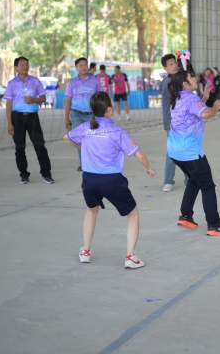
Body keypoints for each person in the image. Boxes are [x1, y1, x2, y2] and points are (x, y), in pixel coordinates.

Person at [64, 91, 157, 269]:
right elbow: (138, 155)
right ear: (108, 109)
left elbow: (66, 138)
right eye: (112, 104)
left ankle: (86, 252)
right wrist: (149, 168)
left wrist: (84, 145)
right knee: (133, 214)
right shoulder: (117, 131)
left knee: (91, 210)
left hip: (89, 179)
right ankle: (130, 257)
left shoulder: (86, 127)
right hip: (112, 181)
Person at [167, 69, 220, 236]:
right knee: (207, 186)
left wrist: (204, 98)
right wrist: (215, 106)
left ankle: (185, 215)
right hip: (190, 152)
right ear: (185, 84)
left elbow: (193, 112)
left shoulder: (178, 97)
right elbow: (207, 113)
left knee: (194, 180)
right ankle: (214, 225)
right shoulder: (190, 98)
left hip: (174, 151)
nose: (195, 78)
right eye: (191, 77)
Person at [4, 56, 54, 185]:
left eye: (26, 64)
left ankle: (46, 174)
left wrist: (33, 100)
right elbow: (8, 104)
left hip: (32, 117)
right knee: (20, 147)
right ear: (16, 68)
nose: (25, 67)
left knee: (40, 145)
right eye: (22, 65)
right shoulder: (11, 84)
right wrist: (10, 123)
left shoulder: (35, 81)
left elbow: (43, 98)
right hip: (17, 118)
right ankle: (24, 174)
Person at [64, 57, 103, 171]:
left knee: (93, 138)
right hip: (76, 114)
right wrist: (66, 118)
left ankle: (94, 162)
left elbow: (100, 98)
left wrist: (101, 114)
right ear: (76, 68)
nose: (83, 67)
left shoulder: (95, 81)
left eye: (85, 65)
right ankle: (83, 163)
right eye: (80, 65)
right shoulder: (72, 83)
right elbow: (68, 101)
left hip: (92, 114)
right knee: (79, 139)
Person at [161, 54, 188, 192]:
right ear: (165, 68)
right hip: (172, 123)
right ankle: (168, 181)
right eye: (170, 64)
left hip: (184, 121)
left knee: (186, 150)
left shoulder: (179, 79)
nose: (174, 66)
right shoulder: (167, 82)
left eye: (175, 63)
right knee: (172, 152)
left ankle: (189, 180)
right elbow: (180, 94)